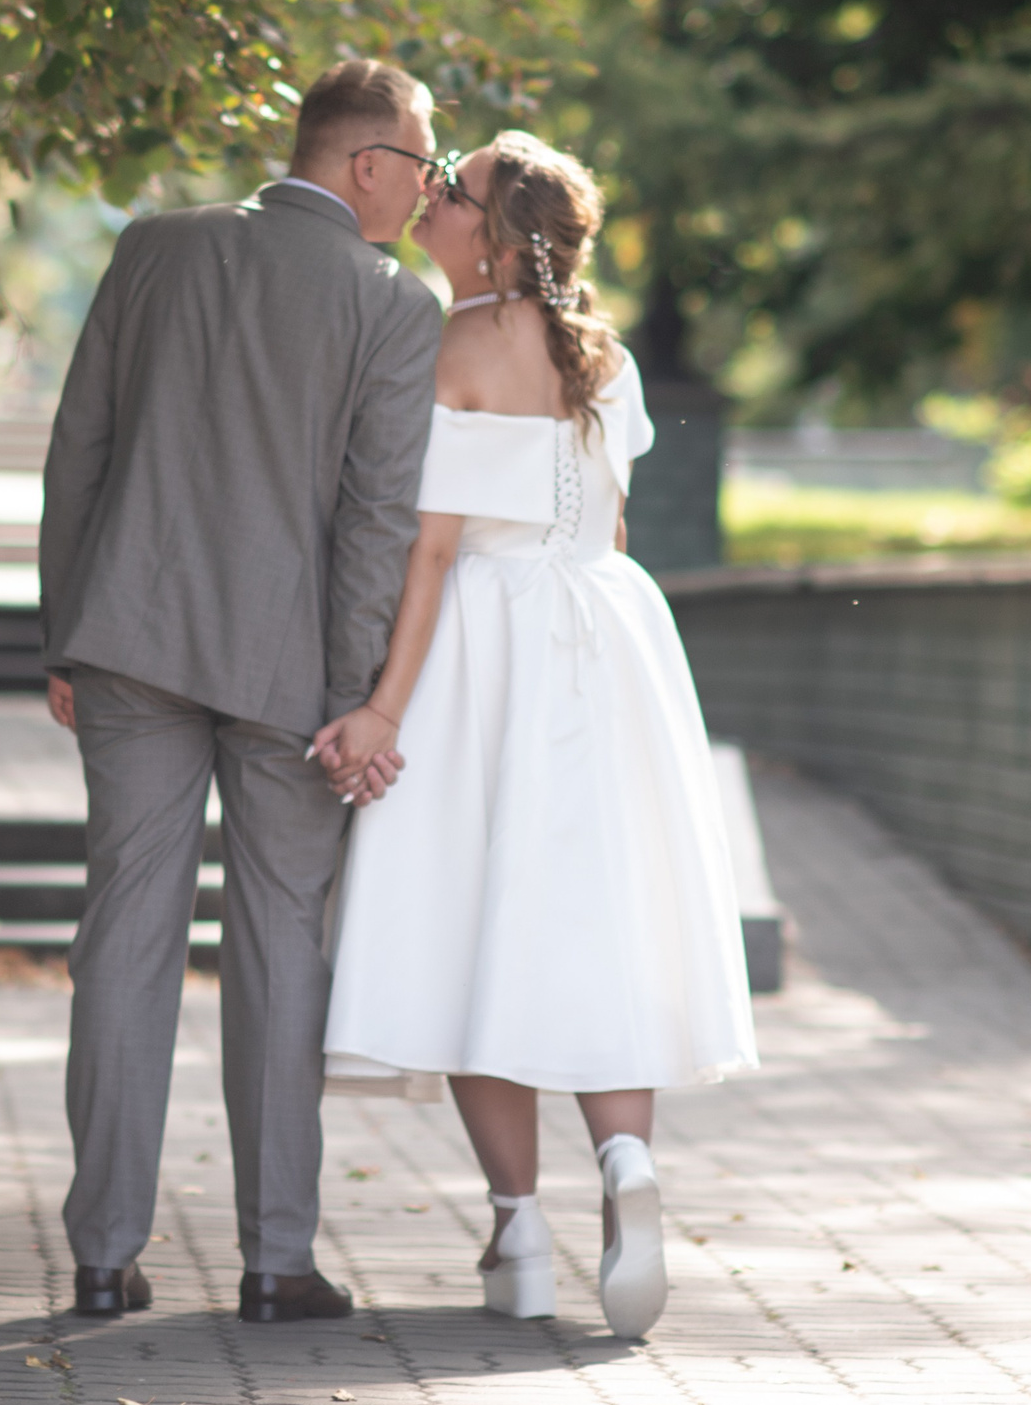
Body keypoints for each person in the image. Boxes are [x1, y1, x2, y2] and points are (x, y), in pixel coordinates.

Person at [313, 130, 760, 1337]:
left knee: (476, 917)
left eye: (450, 198)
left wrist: (384, 707)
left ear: (497, 237)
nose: (430, 209)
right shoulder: (605, 358)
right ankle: (624, 1162)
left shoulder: (454, 343)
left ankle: (517, 1230)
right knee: (597, 912)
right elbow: (607, 531)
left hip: (486, 644)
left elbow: (434, 550)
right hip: (608, 639)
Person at [38, 60, 442, 1323]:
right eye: (423, 166)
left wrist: (68, 636)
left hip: (129, 644)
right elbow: (377, 522)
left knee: (126, 934)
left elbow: (78, 450)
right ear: (364, 164)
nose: (428, 193)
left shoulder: (153, 248)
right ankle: (276, 1262)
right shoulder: (392, 302)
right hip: (290, 677)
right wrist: (351, 699)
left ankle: (102, 1256)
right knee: (281, 949)